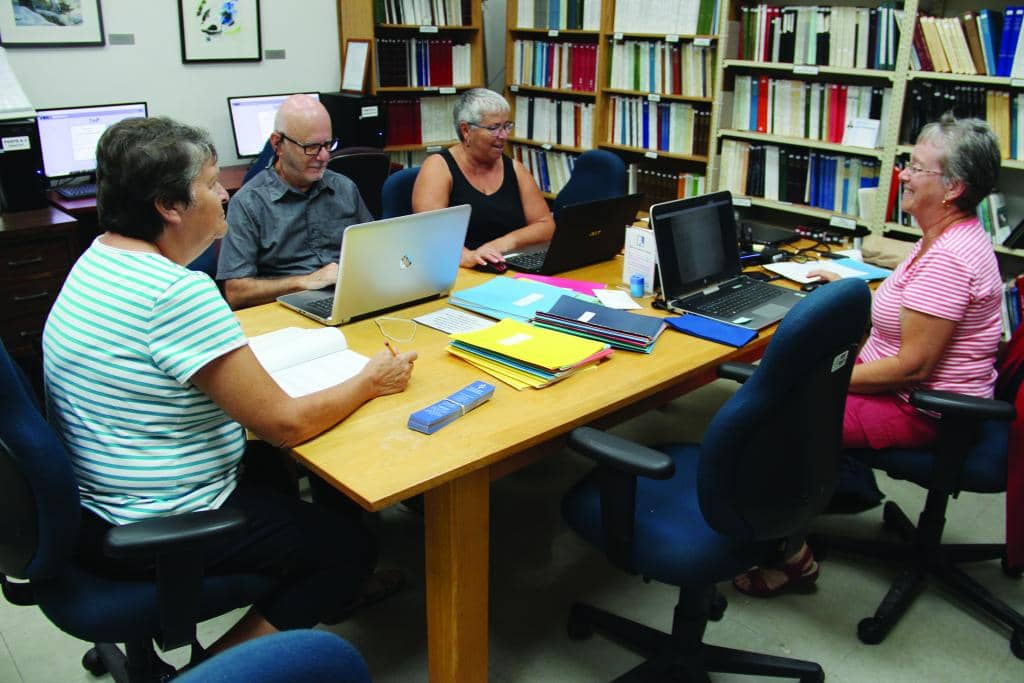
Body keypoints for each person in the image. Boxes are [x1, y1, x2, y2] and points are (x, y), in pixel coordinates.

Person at [42, 117, 417, 657]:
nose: (224, 194)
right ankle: (214, 672)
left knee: (277, 475)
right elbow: (286, 425)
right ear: (170, 206)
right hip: (160, 521)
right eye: (212, 184)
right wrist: (369, 380)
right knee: (348, 548)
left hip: (99, 506)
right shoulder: (177, 292)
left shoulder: (99, 258)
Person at [734, 114, 1004, 596]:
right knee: (784, 394)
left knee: (775, 417)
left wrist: (813, 379)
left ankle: (789, 557)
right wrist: (849, 288)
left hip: (921, 408)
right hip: (908, 392)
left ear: (952, 187)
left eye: (917, 168)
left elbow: (912, 367)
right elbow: (909, 313)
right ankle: (825, 492)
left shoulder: (950, 259)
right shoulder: (948, 236)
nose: (903, 174)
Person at [216, 94, 373, 309]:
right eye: (311, 147)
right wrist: (304, 282)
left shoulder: (344, 188)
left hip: (347, 298)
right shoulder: (249, 203)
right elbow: (236, 292)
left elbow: (373, 253)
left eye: (328, 145)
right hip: (284, 309)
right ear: (277, 144)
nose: (324, 156)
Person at [411, 88, 555, 269]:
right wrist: (467, 256)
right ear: (466, 130)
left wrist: (504, 243)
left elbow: (546, 225)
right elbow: (429, 231)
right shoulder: (438, 167)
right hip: (458, 269)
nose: (503, 136)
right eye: (494, 128)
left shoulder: (515, 169)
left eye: (506, 126)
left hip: (506, 266)